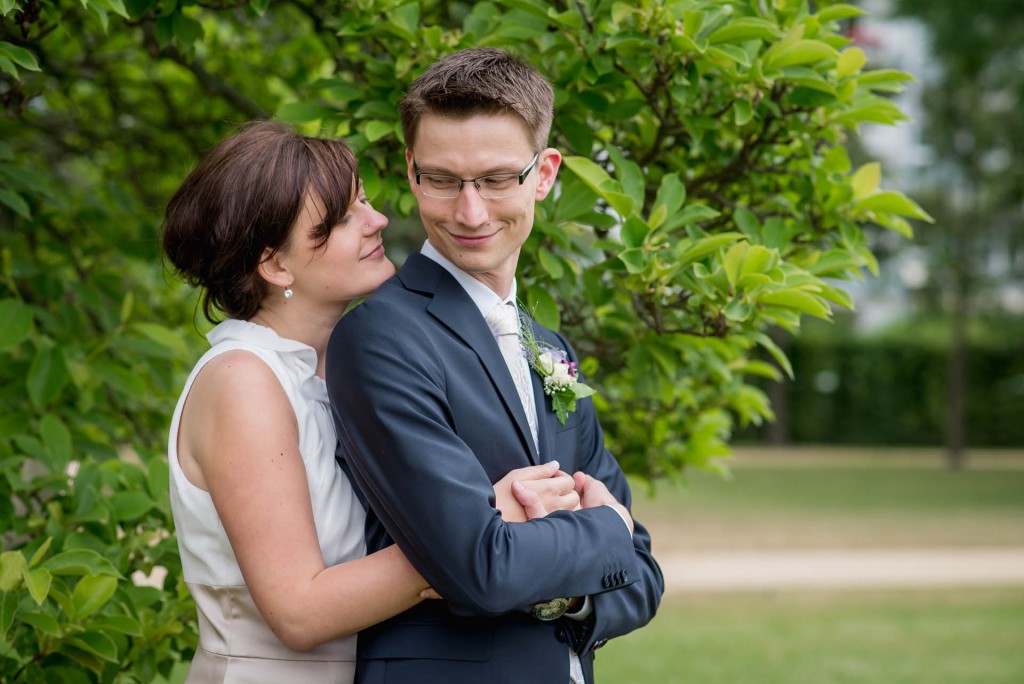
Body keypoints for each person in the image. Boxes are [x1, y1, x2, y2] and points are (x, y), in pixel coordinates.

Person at [161, 120, 581, 682]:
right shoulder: (244, 380)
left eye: (364, 199)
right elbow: (299, 612)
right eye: (341, 219)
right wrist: (473, 537)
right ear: (276, 265)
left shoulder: (341, 366)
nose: (378, 220)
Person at [325, 47, 664, 684]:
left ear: (545, 173)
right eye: (445, 179)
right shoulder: (381, 338)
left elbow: (644, 576)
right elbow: (478, 568)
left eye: (498, 179)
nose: (470, 212)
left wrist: (571, 594)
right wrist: (607, 529)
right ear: (411, 170)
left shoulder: (551, 345)